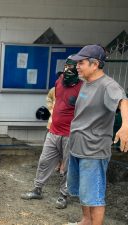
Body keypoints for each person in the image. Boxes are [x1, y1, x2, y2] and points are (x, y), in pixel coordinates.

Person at [66, 45, 128, 225]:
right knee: (83, 191)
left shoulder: (108, 85)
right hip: (77, 146)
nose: (77, 66)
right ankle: (85, 220)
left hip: (94, 150)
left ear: (95, 64)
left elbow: (123, 101)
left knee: (95, 194)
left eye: (81, 62)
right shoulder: (86, 82)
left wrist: (125, 126)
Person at [21, 57, 82, 209]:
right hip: (53, 130)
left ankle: (63, 195)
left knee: (68, 166)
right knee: (44, 161)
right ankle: (37, 189)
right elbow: (55, 100)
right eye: (67, 66)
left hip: (70, 134)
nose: (68, 70)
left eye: (72, 67)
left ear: (78, 70)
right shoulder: (59, 81)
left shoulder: (83, 87)